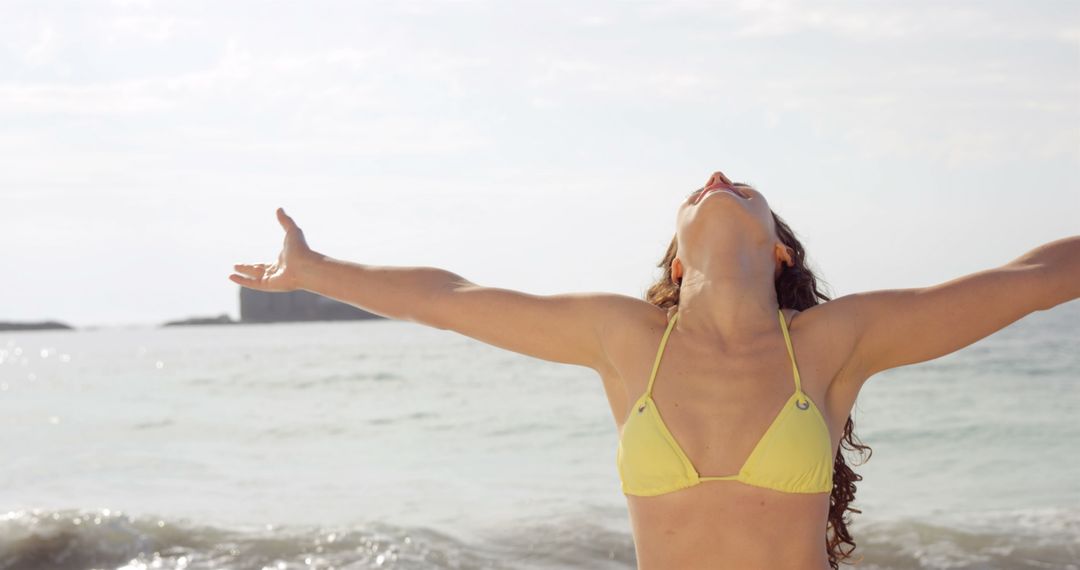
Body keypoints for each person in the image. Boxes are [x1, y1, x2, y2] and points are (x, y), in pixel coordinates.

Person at [230, 171, 1079, 570]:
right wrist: (319, 273)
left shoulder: (828, 344)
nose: (715, 178)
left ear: (777, 244)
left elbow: (1030, 285)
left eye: (739, 184)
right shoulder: (625, 339)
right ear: (674, 260)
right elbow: (451, 297)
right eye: (701, 187)